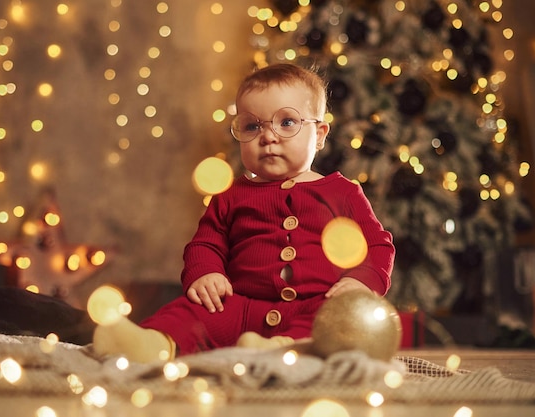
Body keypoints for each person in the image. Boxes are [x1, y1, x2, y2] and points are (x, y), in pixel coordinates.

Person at [92, 63, 395, 362]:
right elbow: (205, 244)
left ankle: (283, 350)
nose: (268, 137)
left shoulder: (342, 193)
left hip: (314, 304)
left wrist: (362, 282)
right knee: (193, 311)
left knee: (334, 324)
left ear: (319, 134)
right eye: (253, 126)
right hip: (240, 308)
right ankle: (152, 343)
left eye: (286, 122)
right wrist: (206, 273)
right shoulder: (231, 196)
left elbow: (377, 245)